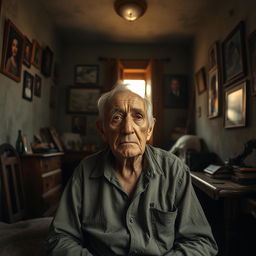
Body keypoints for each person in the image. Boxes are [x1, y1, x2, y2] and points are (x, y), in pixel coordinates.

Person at [47, 85, 218, 256]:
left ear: (149, 129)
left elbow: (200, 242)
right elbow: (60, 237)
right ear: (102, 130)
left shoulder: (174, 170)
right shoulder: (85, 172)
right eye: (116, 118)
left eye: (138, 117)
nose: (128, 128)